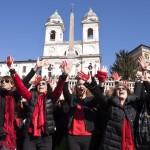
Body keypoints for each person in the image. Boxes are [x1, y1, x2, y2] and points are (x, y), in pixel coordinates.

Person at [9, 60, 71, 150]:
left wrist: (64, 75)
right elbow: (21, 86)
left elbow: (58, 89)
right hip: (30, 136)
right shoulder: (31, 97)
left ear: (47, 87)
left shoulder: (51, 98)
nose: (41, 85)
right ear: (36, 87)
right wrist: (12, 70)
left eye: (43, 84)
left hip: (46, 137)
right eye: (39, 84)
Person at [85, 67, 143, 150]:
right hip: (112, 146)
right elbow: (99, 95)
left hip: (131, 146)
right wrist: (91, 83)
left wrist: (139, 78)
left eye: (123, 89)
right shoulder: (111, 104)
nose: (121, 90)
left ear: (128, 93)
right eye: (118, 89)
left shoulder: (133, 105)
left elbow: (137, 93)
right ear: (116, 93)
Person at [63, 71, 98, 150]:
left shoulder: (91, 100)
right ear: (76, 86)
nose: (81, 86)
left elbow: (99, 95)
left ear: (86, 87)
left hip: (88, 136)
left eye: (83, 84)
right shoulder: (72, 99)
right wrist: (65, 74)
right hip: (72, 136)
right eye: (79, 84)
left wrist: (92, 82)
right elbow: (65, 91)